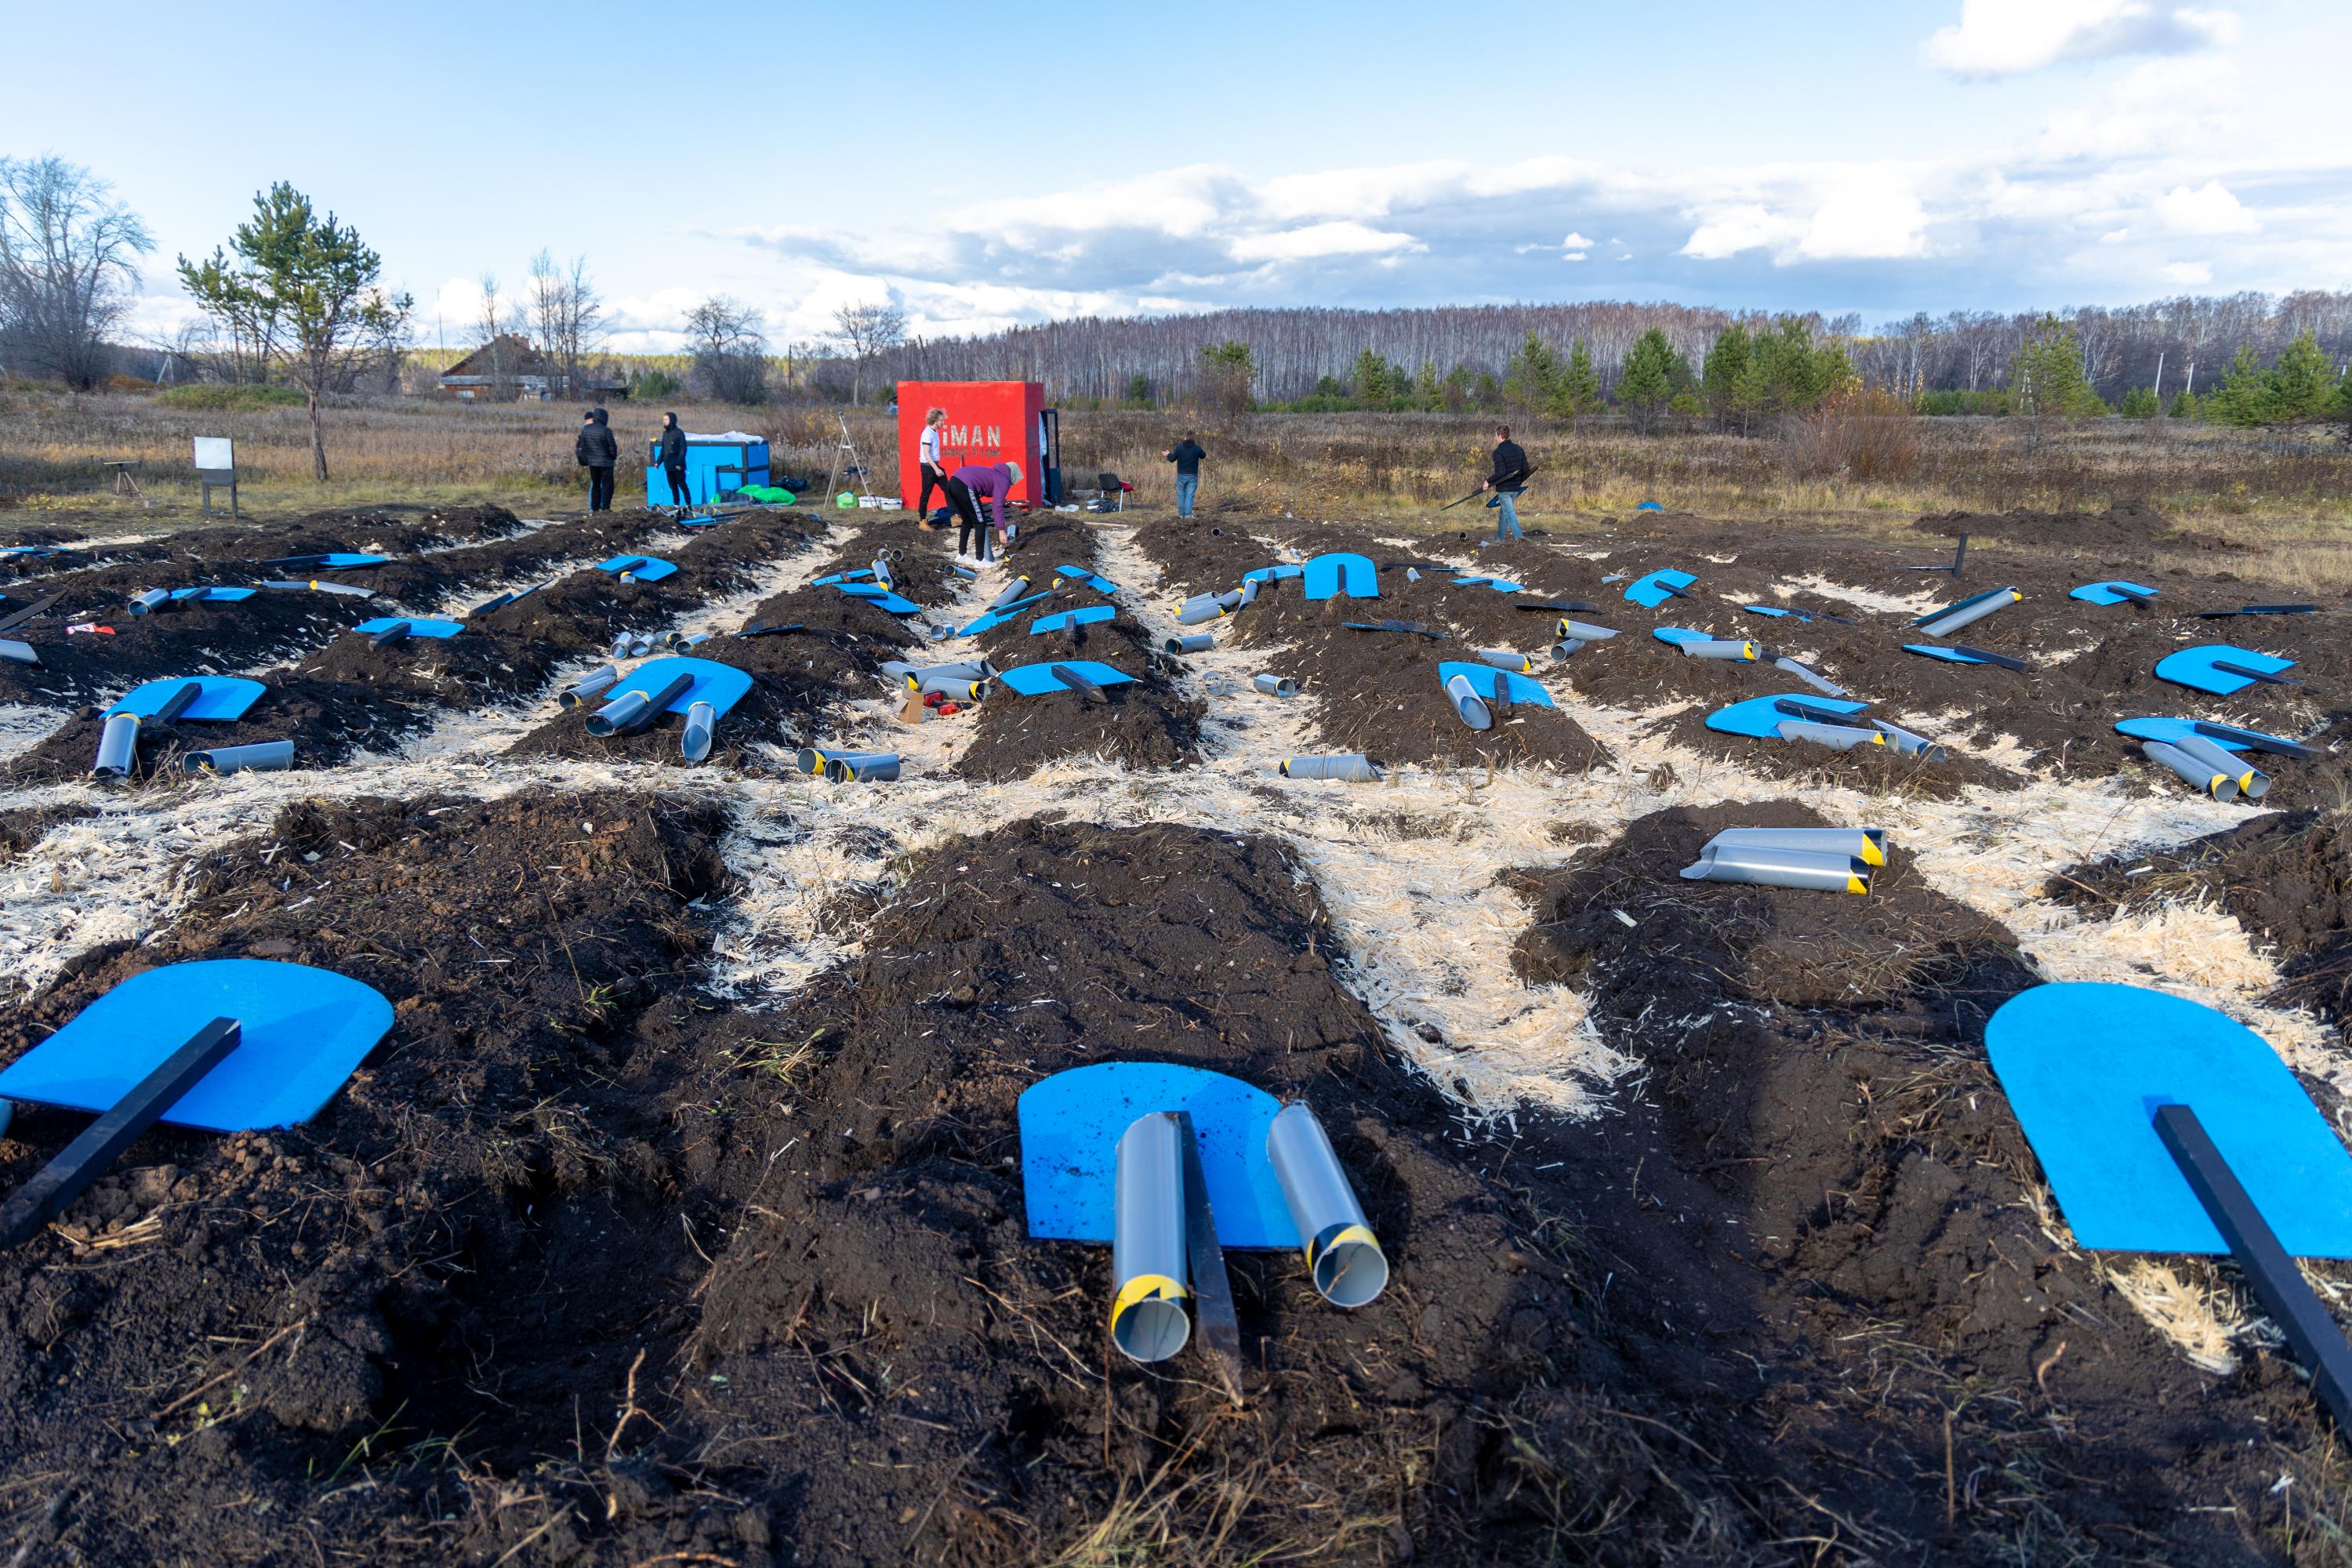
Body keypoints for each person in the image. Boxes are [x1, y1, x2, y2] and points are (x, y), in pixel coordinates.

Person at [944, 459, 1022, 564]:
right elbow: (997, 506)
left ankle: (962, 555)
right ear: (1012, 475)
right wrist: (1001, 530)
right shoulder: (1003, 480)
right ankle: (980, 560)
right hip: (965, 485)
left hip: (954, 481)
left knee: (967, 521)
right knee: (980, 522)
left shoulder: (994, 474)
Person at [1480, 423, 1531, 541]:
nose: (1495, 438)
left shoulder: (1498, 452)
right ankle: (1498, 539)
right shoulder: (1519, 449)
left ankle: (1521, 540)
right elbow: (1526, 470)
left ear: (1500, 435)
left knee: (1510, 514)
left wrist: (1488, 481)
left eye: (1495, 436)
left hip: (1505, 490)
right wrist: (1517, 480)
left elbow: (1501, 472)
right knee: (1504, 514)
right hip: (1515, 489)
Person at [575, 408, 618, 514]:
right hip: (606, 463)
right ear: (604, 418)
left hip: (593, 462)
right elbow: (612, 447)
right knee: (608, 486)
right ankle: (606, 507)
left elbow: (583, 445)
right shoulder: (606, 430)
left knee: (595, 485)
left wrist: (589, 458)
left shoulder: (586, 429)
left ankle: (594, 509)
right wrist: (612, 456)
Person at [914, 407, 949, 528]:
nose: (942, 422)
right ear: (935, 420)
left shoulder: (935, 432)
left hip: (934, 465)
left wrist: (938, 468)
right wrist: (937, 469)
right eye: (941, 420)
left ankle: (955, 516)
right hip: (928, 467)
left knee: (949, 490)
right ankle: (922, 521)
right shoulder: (927, 433)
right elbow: (926, 453)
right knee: (926, 493)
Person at [1163, 433, 1207, 518]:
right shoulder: (1197, 448)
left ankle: (1181, 515)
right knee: (1189, 496)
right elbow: (1204, 455)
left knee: (1181, 496)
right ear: (1194, 439)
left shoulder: (1179, 447)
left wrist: (1168, 454)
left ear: (1185, 437)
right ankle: (1188, 515)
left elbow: (1172, 459)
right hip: (1192, 476)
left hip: (1181, 476)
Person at [656, 412, 689, 516]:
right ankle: (676, 505)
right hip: (668, 465)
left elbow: (683, 449)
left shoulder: (679, 433)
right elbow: (663, 450)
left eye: (666, 419)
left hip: (678, 466)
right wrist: (658, 462)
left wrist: (679, 462)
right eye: (664, 419)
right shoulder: (665, 434)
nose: (664, 421)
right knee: (673, 486)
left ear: (672, 420)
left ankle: (689, 504)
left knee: (682, 484)